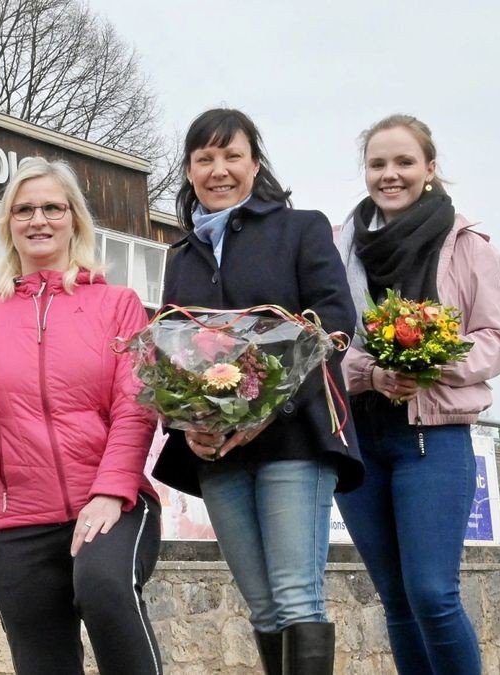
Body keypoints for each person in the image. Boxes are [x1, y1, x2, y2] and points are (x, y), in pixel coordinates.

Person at [150, 108, 363, 675]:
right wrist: (186, 422)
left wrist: (269, 406)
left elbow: (335, 323)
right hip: (219, 453)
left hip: (294, 437)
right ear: (190, 171)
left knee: (296, 598)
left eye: (231, 156)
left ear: (255, 162)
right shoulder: (180, 253)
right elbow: (173, 349)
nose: (219, 170)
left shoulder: (302, 228)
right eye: (204, 159)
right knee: (263, 607)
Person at [0, 158, 162, 674]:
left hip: (112, 502)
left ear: (74, 221)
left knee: (104, 587)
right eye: (24, 210)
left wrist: (110, 490)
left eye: (51, 208)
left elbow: (137, 406)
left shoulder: (118, 303)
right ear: (8, 225)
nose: (38, 219)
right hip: (14, 519)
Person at [333, 114, 500, 675]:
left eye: (404, 162)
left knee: (433, 595)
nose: (391, 175)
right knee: (397, 602)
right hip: (360, 442)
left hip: (433, 440)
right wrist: (369, 372)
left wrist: (435, 363)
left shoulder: (467, 244)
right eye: (378, 164)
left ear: (430, 169)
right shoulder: (341, 247)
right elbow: (322, 341)